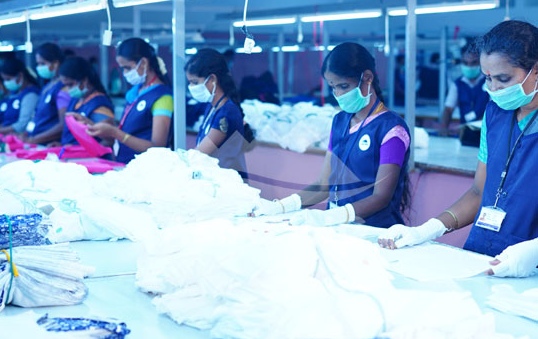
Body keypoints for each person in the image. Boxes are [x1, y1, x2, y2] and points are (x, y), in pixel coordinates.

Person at [378, 20, 538, 278]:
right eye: (488, 78)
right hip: (481, 253)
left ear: (536, 70)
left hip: (527, 266)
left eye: (503, 79)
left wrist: (534, 251)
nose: (493, 88)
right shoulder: (494, 114)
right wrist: (428, 229)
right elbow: (479, 191)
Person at [255, 42, 411, 228]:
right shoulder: (339, 121)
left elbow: (381, 197)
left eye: (344, 86)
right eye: (333, 87)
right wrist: (282, 206)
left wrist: (329, 217)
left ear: (367, 78)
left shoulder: (392, 129)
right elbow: (324, 184)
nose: (338, 94)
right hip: (339, 228)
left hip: (374, 231)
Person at [84, 38, 174, 163]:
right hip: (125, 162)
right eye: (122, 68)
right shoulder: (135, 93)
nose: (125, 73)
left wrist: (115, 133)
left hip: (146, 167)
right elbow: (130, 131)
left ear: (143, 62)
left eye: (127, 67)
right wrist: (90, 124)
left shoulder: (162, 97)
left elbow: (157, 147)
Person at [185, 48, 250, 177]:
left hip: (228, 183)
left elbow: (200, 153)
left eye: (195, 82)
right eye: (190, 83)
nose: (191, 87)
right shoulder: (212, 107)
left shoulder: (226, 112)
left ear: (212, 79)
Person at [59, 57, 114, 145]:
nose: (68, 89)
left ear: (84, 80)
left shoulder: (100, 105)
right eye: (65, 85)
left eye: (70, 84)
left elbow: (109, 139)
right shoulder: (76, 100)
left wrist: (80, 150)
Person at [439, 42, 489, 139]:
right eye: (465, 63)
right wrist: (444, 127)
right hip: (465, 133)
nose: (469, 66)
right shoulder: (457, 84)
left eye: (473, 63)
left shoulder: (489, 82)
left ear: (480, 62)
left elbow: (495, 110)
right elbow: (448, 109)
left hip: (486, 133)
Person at [27, 43, 71, 144]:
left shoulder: (63, 88)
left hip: (51, 144)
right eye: (38, 64)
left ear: (55, 63)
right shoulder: (48, 86)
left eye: (42, 64)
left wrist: (35, 139)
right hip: (37, 141)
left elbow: (63, 124)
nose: (39, 67)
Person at [0, 58, 39, 135]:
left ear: (20, 76)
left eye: (8, 79)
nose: (5, 83)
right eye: (4, 80)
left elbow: (22, 124)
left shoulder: (31, 95)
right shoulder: (14, 94)